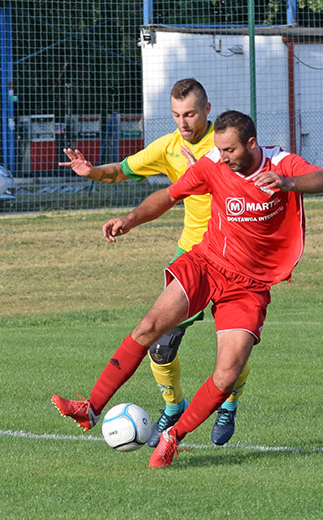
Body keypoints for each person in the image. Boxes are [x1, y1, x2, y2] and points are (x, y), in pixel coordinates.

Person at [52, 110, 323, 467]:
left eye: (230, 150)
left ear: (251, 144)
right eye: (220, 149)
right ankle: (90, 407)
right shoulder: (213, 163)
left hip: (249, 286)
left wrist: (287, 182)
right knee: (150, 327)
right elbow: (169, 195)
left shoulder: (280, 162)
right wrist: (130, 220)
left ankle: (173, 437)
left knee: (227, 374)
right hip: (206, 264)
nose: (223, 157)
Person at [59, 78, 250, 447]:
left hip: (237, 258)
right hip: (193, 256)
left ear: (207, 111)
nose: (183, 122)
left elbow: (254, 185)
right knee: (160, 345)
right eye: (176, 114)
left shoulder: (228, 143)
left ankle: (229, 404)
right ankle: (173, 406)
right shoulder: (169, 147)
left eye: (190, 114)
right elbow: (123, 170)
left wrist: (214, 172)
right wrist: (91, 172)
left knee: (232, 352)